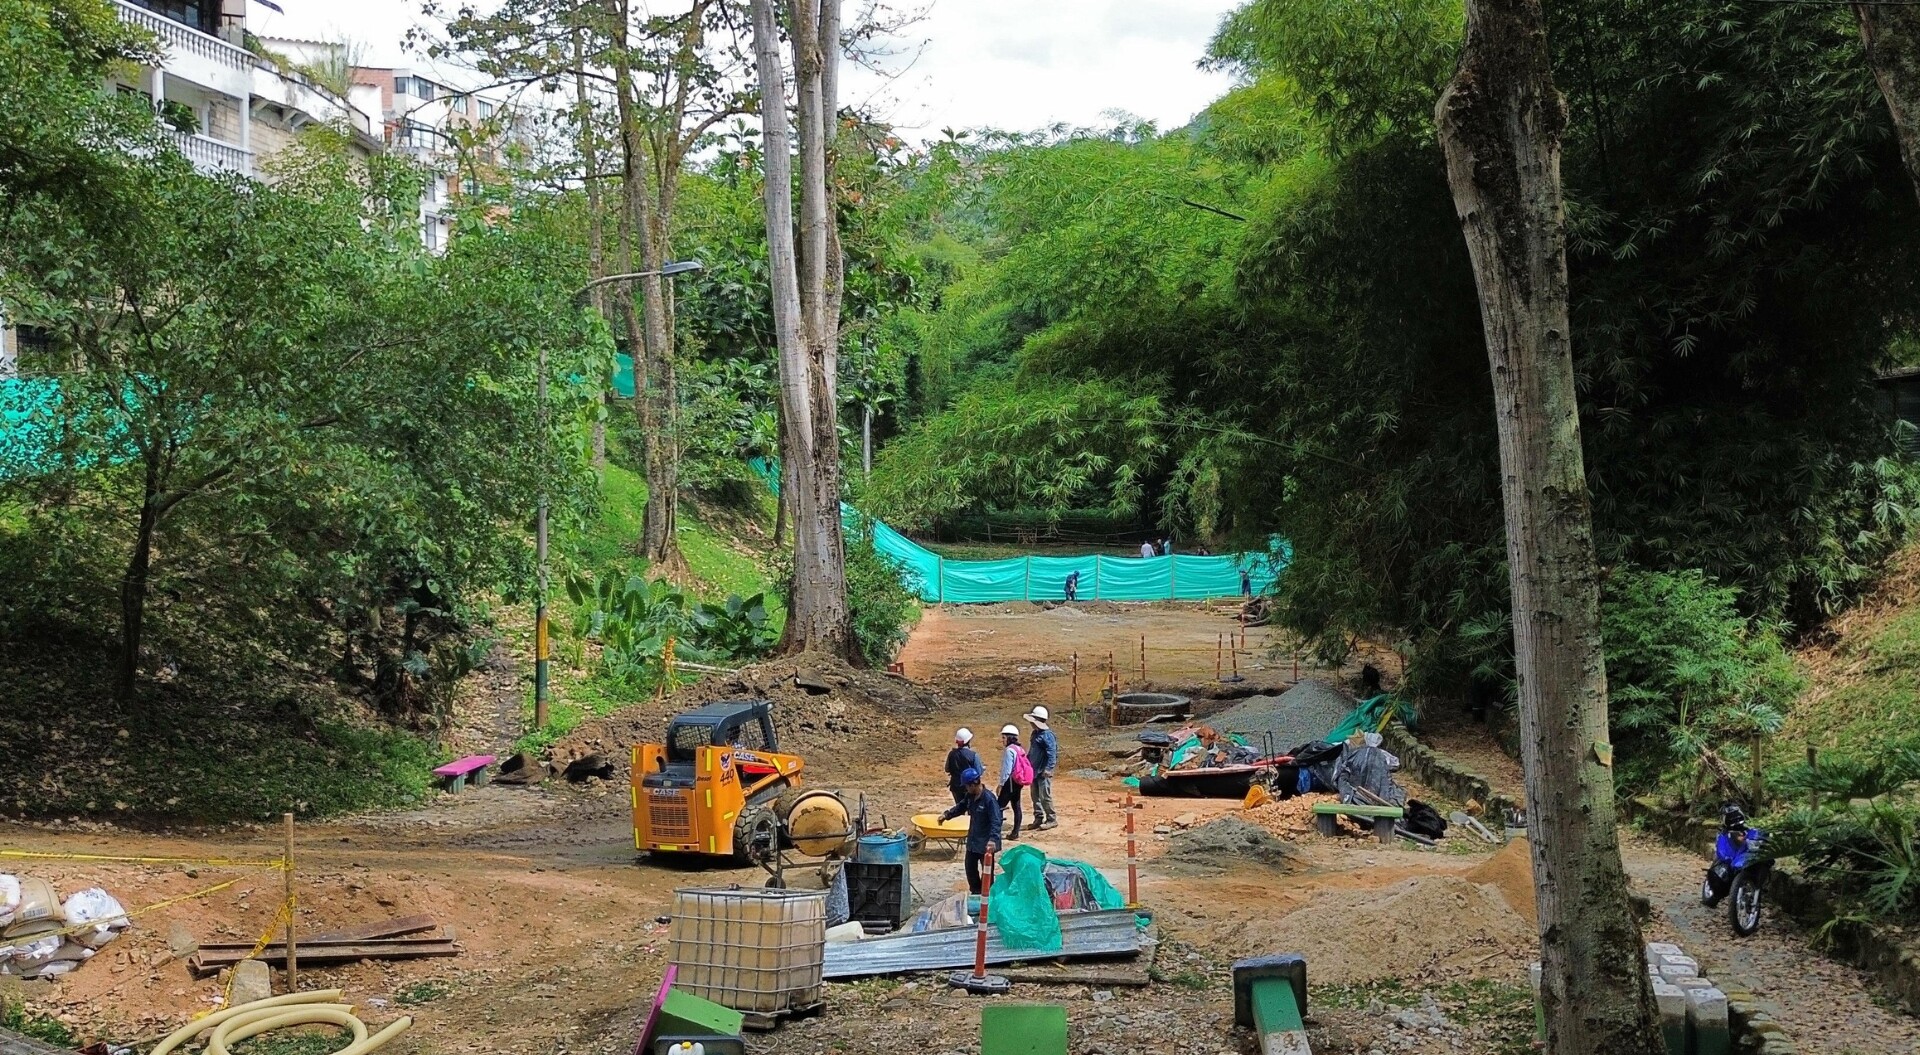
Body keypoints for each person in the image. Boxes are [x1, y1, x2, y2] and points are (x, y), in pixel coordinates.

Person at [939, 766, 1003, 895]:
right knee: (970, 869)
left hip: (986, 844)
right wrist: (947, 815)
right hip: (973, 842)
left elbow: (996, 821)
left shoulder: (989, 799)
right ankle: (976, 893)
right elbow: (961, 807)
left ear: (973, 784)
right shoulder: (970, 796)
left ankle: (987, 896)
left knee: (987, 873)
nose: (966, 789)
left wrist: (992, 840)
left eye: (967, 786)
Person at [1024, 706, 1058, 831]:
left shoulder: (1047, 736)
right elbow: (1032, 751)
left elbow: (1052, 753)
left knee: (1045, 796)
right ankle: (1038, 818)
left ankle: (1051, 819)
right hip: (1034, 770)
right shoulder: (1035, 734)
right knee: (1035, 796)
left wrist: (1048, 769)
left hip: (1043, 771)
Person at [996, 724, 1028, 841]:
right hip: (1017, 782)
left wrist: (1001, 784)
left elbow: (1007, 770)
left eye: (1004, 737)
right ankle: (1015, 832)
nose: (1002, 740)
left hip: (1009, 782)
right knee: (1016, 806)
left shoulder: (1009, 750)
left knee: (998, 807)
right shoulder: (1020, 749)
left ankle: (995, 832)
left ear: (1009, 737)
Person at [944, 727, 981, 806]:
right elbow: (979, 772)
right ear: (968, 741)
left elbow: (947, 769)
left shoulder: (951, 754)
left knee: (959, 808)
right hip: (970, 787)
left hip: (955, 787)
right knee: (971, 808)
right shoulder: (974, 755)